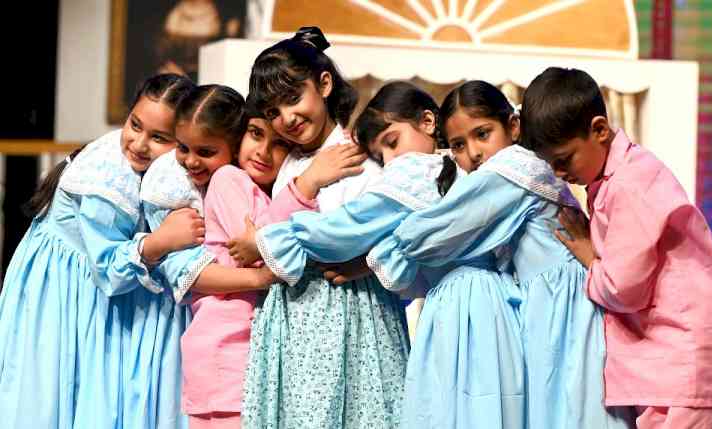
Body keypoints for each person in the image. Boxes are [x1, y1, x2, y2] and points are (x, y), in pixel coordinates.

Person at [368, 80, 632, 429]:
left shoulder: (515, 168)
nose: (473, 152)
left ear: (513, 127)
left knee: (576, 411)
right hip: (547, 303)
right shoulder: (517, 169)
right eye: (459, 145)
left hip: (568, 307)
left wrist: (387, 247)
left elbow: (437, 230)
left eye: (482, 134)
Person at [521, 66, 712, 429]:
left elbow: (624, 289)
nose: (559, 174)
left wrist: (588, 254)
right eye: (551, 165)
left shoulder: (630, 183)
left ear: (599, 130)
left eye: (564, 159)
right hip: (672, 360)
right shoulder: (618, 177)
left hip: (686, 359)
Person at [141, 83, 365, 429]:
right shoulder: (229, 179)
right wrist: (306, 184)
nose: (263, 151)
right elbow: (273, 251)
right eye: (256, 134)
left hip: (236, 355)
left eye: (280, 145)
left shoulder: (258, 191)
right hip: (227, 354)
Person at [0, 73, 202, 429]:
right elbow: (109, 268)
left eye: (158, 138)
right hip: (66, 291)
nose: (139, 143)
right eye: (135, 125)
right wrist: (160, 242)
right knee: (55, 389)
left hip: (95, 285)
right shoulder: (106, 175)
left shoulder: (165, 170)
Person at [234, 27, 409, 429]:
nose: (287, 118)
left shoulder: (355, 159)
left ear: (325, 84)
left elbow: (373, 231)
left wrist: (267, 241)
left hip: (350, 313)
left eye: (294, 99)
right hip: (292, 316)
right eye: (274, 111)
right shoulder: (292, 163)